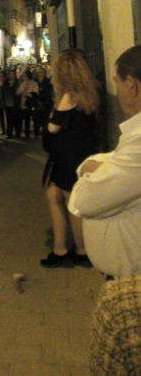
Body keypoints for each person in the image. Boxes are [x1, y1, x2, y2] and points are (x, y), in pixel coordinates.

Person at [68, 44, 141, 374]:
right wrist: (95, 165)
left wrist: (87, 173)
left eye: (117, 81)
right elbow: (111, 163)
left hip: (131, 293)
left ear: (132, 85)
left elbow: (85, 199)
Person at [40, 49, 100, 268]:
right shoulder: (89, 92)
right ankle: (61, 248)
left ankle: (80, 251)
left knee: (70, 202)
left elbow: (53, 127)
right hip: (80, 153)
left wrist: (51, 112)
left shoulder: (68, 96)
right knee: (53, 194)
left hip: (68, 156)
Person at [17, 70, 39, 138]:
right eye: (23, 76)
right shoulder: (23, 84)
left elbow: (36, 93)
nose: (24, 77)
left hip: (32, 103)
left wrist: (28, 94)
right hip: (24, 104)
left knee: (35, 118)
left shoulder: (34, 83)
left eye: (25, 76)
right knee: (26, 119)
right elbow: (18, 92)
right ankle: (27, 133)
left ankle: (36, 132)